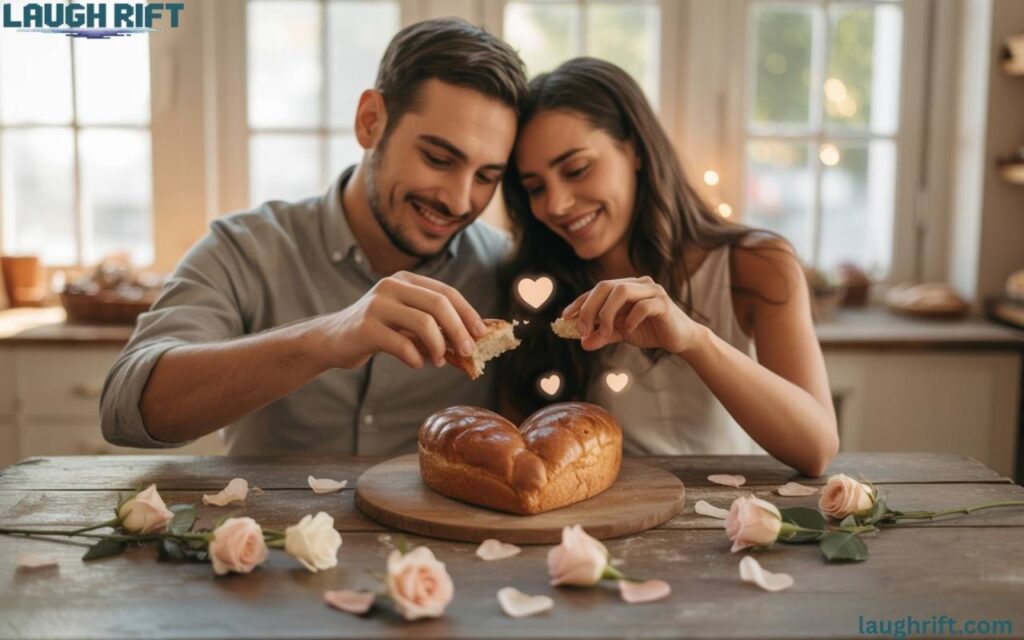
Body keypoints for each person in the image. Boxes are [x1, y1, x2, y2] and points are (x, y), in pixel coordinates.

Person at [101, 18, 528, 455]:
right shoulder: (245, 249)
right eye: (438, 159)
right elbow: (126, 412)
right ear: (370, 121)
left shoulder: (507, 271)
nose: (459, 201)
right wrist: (327, 338)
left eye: (486, 176)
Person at [501, 58, 838, 477]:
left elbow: (818, 448)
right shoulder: (538, 286)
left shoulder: (758, 265)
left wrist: (694, 340)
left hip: (735, 515)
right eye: (535, 187)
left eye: (577, 169)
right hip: (613, 520)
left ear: (635, 150)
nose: (555, 204)